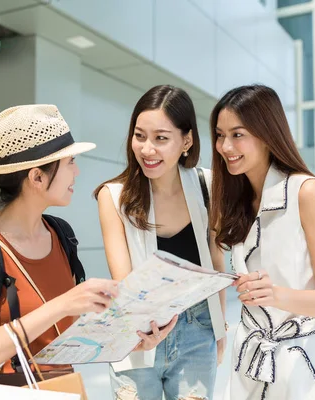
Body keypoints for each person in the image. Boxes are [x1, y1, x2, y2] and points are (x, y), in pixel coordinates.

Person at [0, 104, 118, 383]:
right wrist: (61, 305)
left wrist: (131, 337)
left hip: (63, 389)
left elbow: (69, 333)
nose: (76, 173)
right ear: (37, 177)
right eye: (70, 162)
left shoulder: (62, 234)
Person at [211, 85, 315, 399]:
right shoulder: (235, 200)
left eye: (238, 134)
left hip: (305, 362)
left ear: (266, 133)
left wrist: (275, 295)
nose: (225, 146)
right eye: (220, 135)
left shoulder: (307, 192)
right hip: (249, 359)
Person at [94, 85, 228, 400]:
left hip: (198, 327)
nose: (147, 149)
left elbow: (216, 262)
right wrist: (144, 331)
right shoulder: (113, 196)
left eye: (161, 138)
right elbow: (123, 281)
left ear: (187, 140)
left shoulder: (209, 186)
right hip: (137, 332)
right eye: (140, 136)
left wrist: (219, 330)